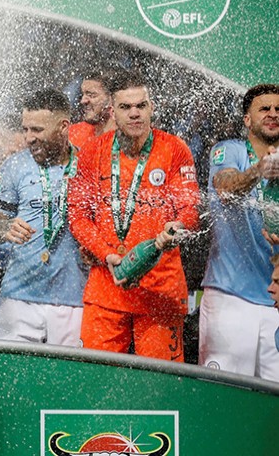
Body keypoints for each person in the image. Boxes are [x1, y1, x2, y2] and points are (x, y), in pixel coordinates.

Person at [68, 70, 199, 362]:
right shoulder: (91, 152)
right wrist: (106, 254)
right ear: (112, 111)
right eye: (126, 107)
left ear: (152, 107)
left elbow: (190, 209)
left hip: (160, 295)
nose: (135, 113)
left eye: (141, 105)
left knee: (161, 390)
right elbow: (77, 216)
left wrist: (177, 228)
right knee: (96, 381)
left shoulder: (175, 149)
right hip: (106, 291)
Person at [0, 90, 88, 346]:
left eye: (38, 130)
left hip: (73, 296)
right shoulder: (15, 166)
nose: (29, 138)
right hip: (19, 295)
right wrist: (5, 226)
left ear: (64, 127)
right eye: (25, 129)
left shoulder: (88, 164)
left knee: (69, 380)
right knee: (10, 378)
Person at [199, 84, 279, 380]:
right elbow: (225, 189)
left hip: (276, 302)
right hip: (230, 297)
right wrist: (261, 169)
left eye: (278, 109)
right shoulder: (228, 151)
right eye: (264, 109)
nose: (272, 114)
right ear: (247, 119)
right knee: (224, 397)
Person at [69, 70, 117, 151]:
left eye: (91, 95)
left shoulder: (126, 139)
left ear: (111, 99)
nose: (83, 101)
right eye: (83, 94)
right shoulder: (73, 134)